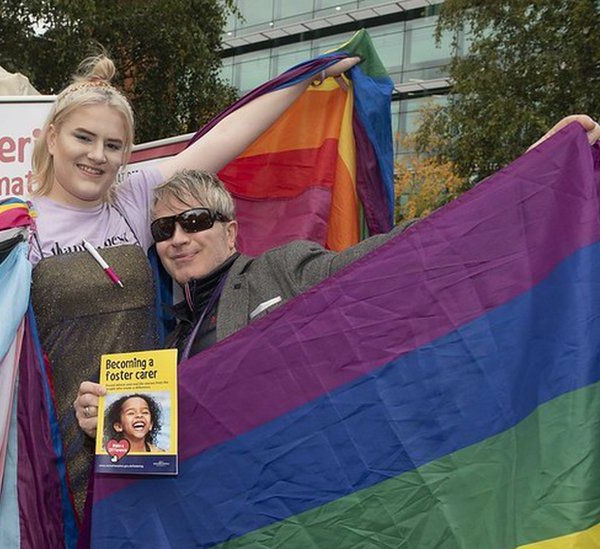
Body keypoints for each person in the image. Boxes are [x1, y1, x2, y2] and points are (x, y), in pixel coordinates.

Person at [75, 115, 600, 439]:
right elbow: (153, 446)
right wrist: (105, 422)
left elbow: (393, 256)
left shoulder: (280, 270)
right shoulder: (166, 342)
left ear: (232, 233)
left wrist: (524, 176)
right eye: (164, 228)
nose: (178, 238)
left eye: (193, 222)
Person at [31, 53, 359, 513]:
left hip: (149, 433)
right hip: (62, 436)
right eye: (83, 138)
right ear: (51, 137)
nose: (96, 155)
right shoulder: (13, 226)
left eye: (112, 144)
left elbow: (223, 141)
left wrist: (304, 78)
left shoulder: (131, 196)